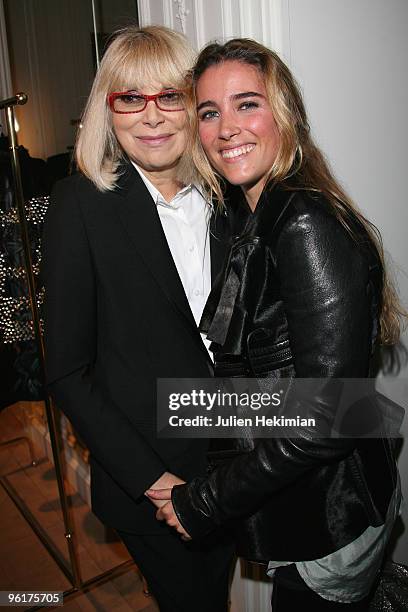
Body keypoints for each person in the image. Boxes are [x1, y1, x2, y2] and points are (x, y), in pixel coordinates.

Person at [146, 38, 406, 610]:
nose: (225, 128)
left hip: (328, 516)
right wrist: (177, 431)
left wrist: (205, 501)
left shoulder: (303, 223)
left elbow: (328, 414)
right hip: (303, 500)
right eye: (210, 112)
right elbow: (275, 381)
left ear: (284, 114)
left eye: (247, 104)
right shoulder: (259, 214)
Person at [42, 26, 233, 612]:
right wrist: (156, 483)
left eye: (169, 96)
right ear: (109, 109)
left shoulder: (232, 194)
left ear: (193, 104)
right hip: (154, 483)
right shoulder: (81, 206)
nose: (150, 116)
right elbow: (68, 371)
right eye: (130, 98)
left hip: (236, 468)